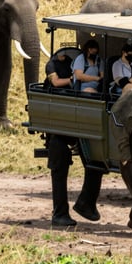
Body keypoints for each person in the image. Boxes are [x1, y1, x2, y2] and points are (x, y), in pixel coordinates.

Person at [43, 48, 104, 227]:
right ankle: (59, 213)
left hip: (77, 118)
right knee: (60, 166)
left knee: (95, 162)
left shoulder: (76, 63)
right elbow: (55, 82)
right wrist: (72, 80)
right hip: (58, 123)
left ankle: (86, 203)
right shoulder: (52, 65)